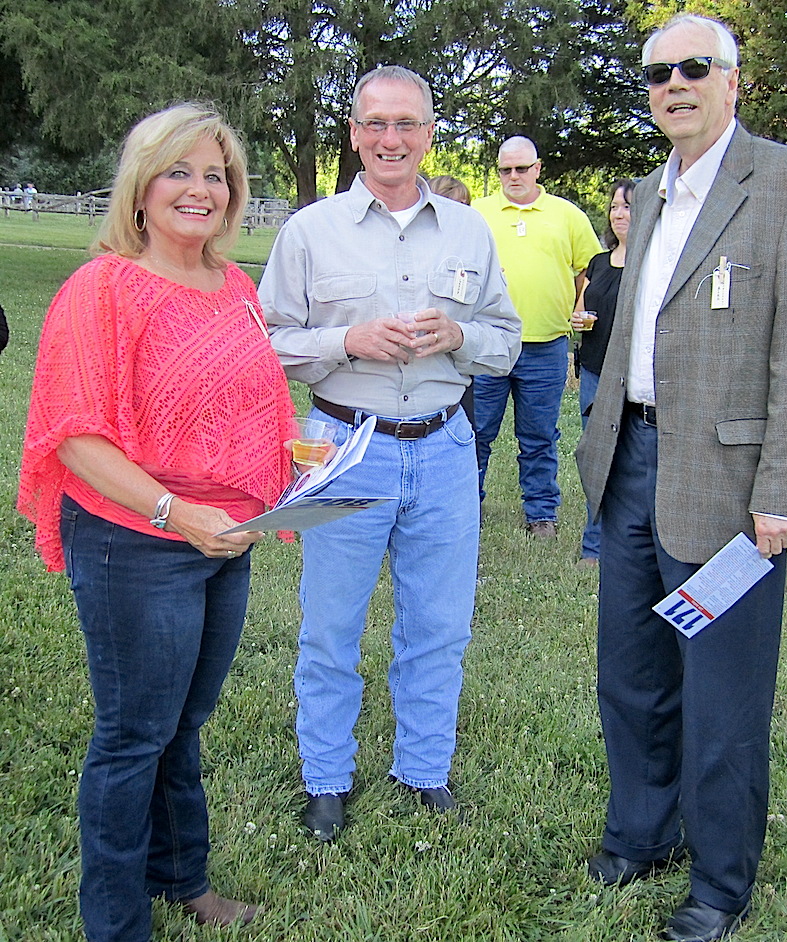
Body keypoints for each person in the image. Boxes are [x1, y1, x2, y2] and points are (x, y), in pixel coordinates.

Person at [575, 15, 787, 941]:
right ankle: (641, 832)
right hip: (631, 466)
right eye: (658, 72)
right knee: (632, 674)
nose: (674, 83)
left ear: (734, 80)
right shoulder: (649, 191)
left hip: (730, 485)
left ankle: (722, 881)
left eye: (695, 67)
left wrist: (782, 490)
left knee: (724, 695)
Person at [18, 103, 296, 941]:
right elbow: (74, 435)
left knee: (185, 724)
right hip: (136, 544)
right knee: (133, 735)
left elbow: (248, 406)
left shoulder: (236, 285)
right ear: (140, 187)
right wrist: (179, 511)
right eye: (180, 170)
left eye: (217, 175)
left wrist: (294, 476)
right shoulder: (101, 288)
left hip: (224, 541)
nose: (200, 189)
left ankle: (183, 879)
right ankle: (116, 920)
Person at [258, 66, 520, 840]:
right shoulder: (310, 231)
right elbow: (264, 344)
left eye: (407, 124)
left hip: (443, 448)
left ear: (430, 134)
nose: (390, 139)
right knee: (330, 626)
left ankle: (423, 769)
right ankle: (326, 779)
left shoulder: (471, 232)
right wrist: (347, 340)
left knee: (439, 624)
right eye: (375, 124)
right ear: (354, 133)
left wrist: (459, 336)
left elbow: (505, 343)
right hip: (342, 448)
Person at [473, 136, 601, 537]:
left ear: (538, 169)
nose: (513, 176)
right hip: (489, 344)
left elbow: (591, 269)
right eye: (505, 170)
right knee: (476, 433)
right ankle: (464, 507)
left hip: (546, 347)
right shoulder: (478, 214)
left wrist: (581, 304)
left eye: (521, 168)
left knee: (540, 436)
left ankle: (541, 513)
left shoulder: (567, 215)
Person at [570, 179, 635, 566]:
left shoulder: (653, 264)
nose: (619, 213)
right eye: (614, 207)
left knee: (630, 460)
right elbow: (581, 310)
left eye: (627, 206)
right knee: (596, 458)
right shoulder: (598, 261)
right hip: (594, 371)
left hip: (630, 377)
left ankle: (624, 545)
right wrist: (579, 319)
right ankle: (593, 547)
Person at [428, 174, 476, 421]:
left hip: (458, 361)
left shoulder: (473, 246)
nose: (459, 212)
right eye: (450, 203)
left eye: (464, 205)